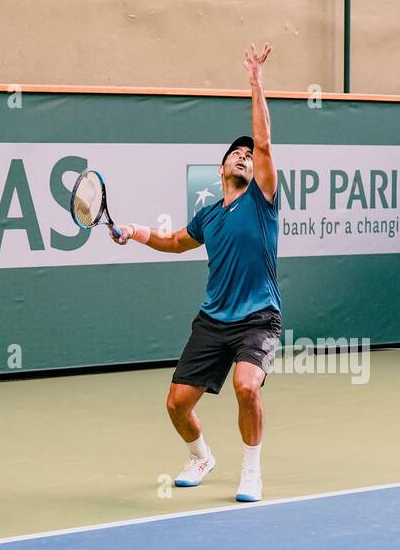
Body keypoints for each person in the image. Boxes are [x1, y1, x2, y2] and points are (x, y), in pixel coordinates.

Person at [111, 42, 280, 501]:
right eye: (237, 154)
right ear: (222, 167)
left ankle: (251, 470)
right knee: (176, 404)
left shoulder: (263, 200)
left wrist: (255, 82)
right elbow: (174, 241)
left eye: (250, 155)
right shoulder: (209, 215)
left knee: (247, 386)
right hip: (212, 321)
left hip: (257, 318)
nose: (246, 156)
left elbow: (263, 141)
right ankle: (201, 456)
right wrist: (134, 230)